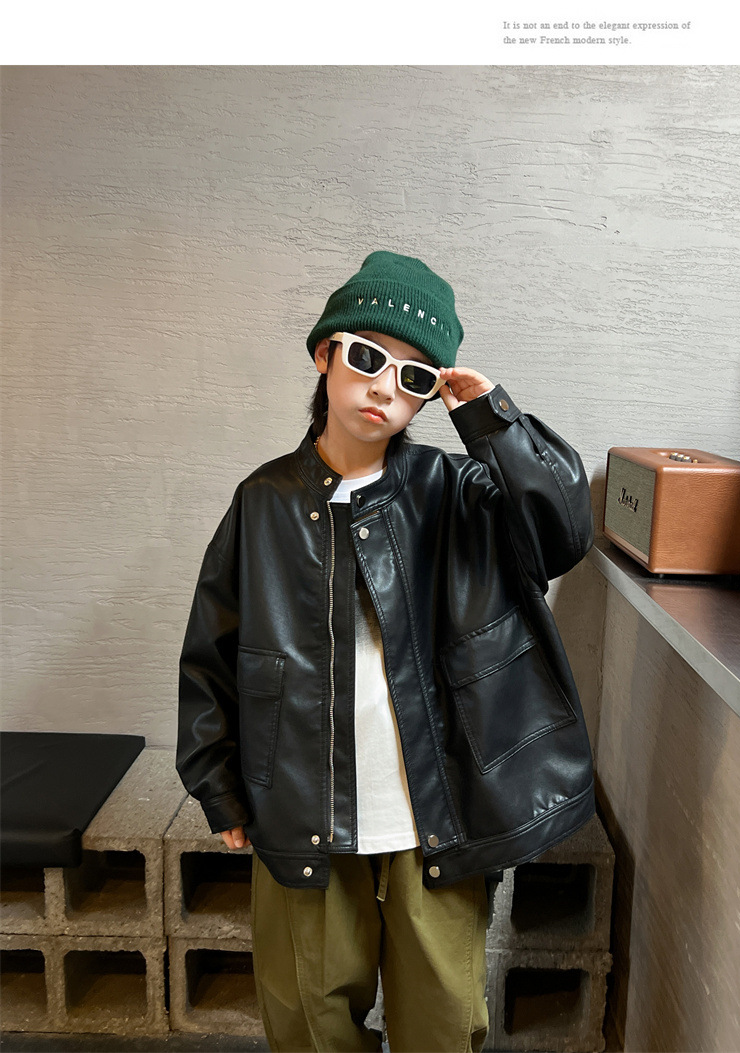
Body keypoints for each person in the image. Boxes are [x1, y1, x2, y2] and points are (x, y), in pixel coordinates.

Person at [176, 250, 597, 1052]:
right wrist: (220, 787)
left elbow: (563, 532)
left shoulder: (459, 491)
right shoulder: (262, 502)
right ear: (325, 353)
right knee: (307, 1026)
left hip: (434, 821)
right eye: (368, 357)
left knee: (441, 1026)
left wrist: (492, 419)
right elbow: (213, 654)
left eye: (413, 376)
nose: (383, 387)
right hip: (299, 815)